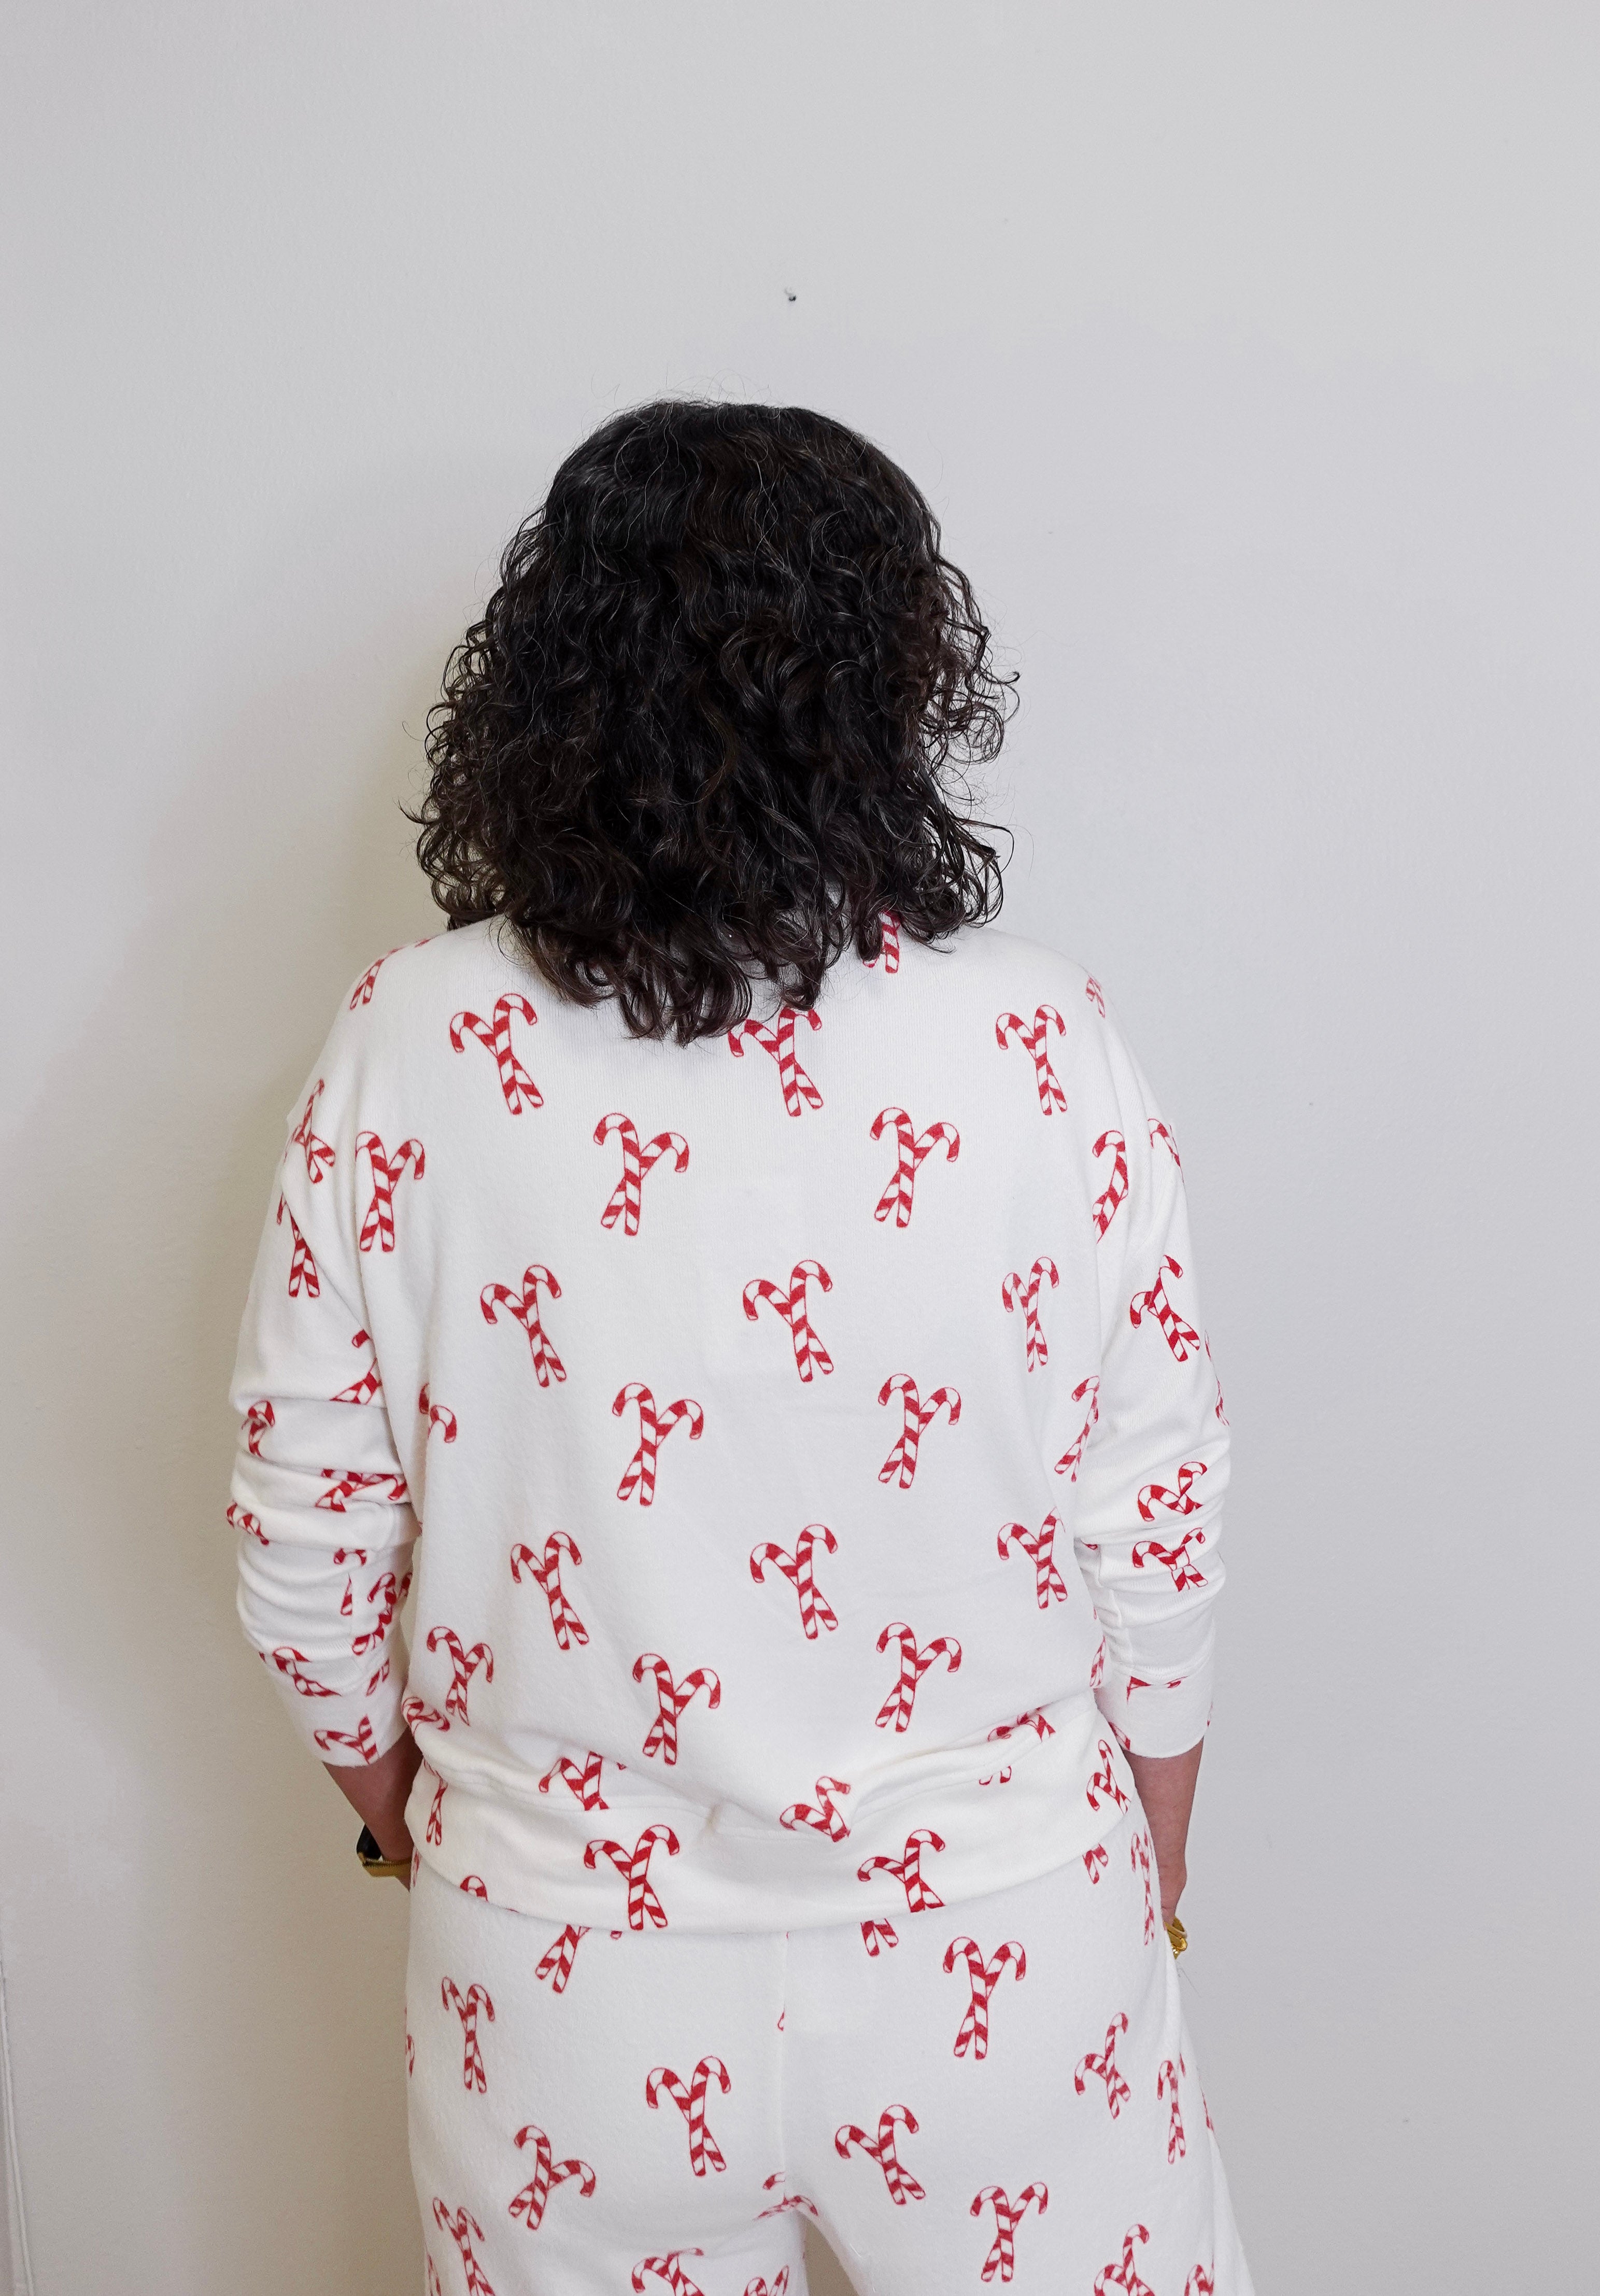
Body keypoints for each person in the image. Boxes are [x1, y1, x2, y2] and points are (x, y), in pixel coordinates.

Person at [228, 400, 1253, 2296]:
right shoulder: (1038, 1046)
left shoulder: (408, 1045)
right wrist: (1151, 1858)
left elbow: (306, 1544)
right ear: (891, 679)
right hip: (998, 1950)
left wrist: (427, 1840)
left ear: (549, 679)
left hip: (565, 1983)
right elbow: (1158, 1521)